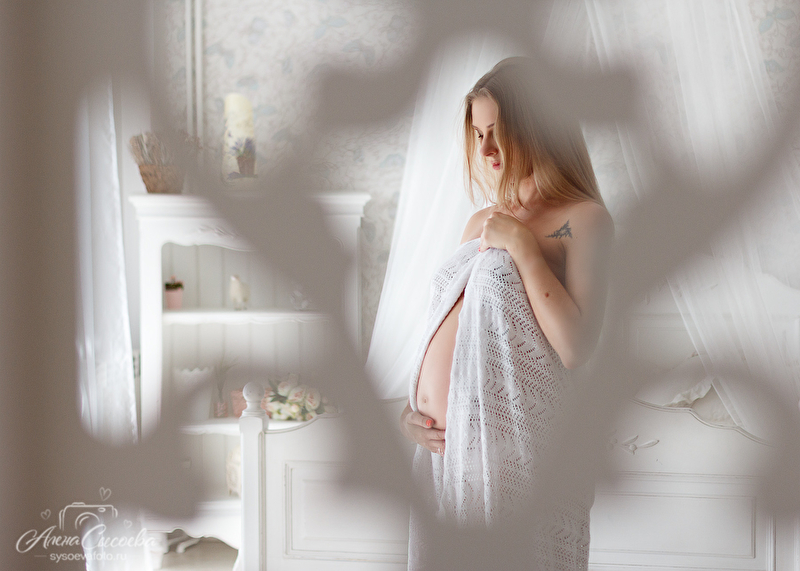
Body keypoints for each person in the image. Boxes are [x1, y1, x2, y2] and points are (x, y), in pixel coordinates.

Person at [399, 57, 614, 570]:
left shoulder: (582, 220)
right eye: (478, 134)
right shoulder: (481, 220)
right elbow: (455, 329)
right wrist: (414, 412)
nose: (486, 149)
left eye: (499, 132)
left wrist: (522, 246)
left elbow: (576, 347)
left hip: (520, 459)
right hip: (448, 458)